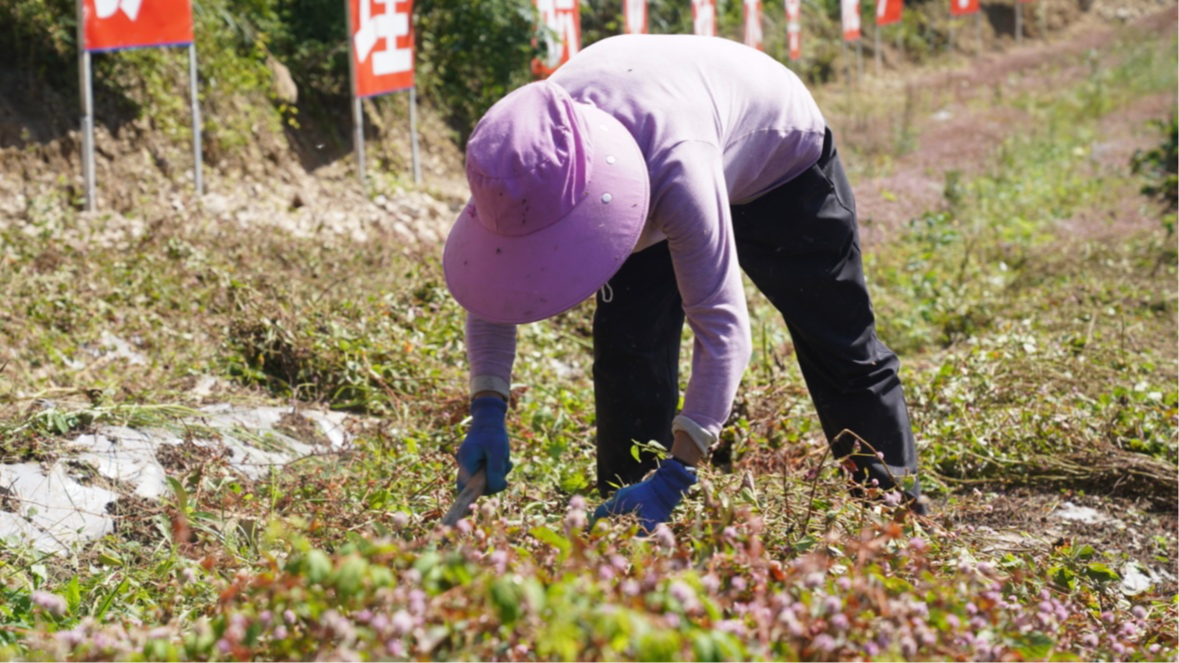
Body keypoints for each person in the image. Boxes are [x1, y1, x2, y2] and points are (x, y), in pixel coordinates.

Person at [443, 34, 926, 533]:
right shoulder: (515, 163)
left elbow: (723, 332)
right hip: (659, 128)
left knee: (838, 341)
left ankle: (893, 515)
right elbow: (494, 281)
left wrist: (676, 477)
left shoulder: (674, 167)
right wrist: (487, 409)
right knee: (629, 349)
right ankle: (626, 524)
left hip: (779, 158)